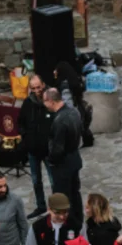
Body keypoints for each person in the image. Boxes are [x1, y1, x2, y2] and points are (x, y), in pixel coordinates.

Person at [45, 87, 85, 232]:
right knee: (75, 194)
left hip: (63, 165)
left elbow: (58, 149)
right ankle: (78, 221)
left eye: (45, 101)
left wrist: (51, 160)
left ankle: (67, 227)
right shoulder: (74, 111)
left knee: (63, 198)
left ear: (50, 101)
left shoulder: (60, 120)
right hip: (74, 160)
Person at [19, 73, 55, 218]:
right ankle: (41, 206)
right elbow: (21, 122)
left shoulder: (50, 100)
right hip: (33, 150)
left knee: (54, 181)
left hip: (48, 150)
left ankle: (55, 207)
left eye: (38, 87)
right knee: (36, 180)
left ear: (43, 85)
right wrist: (26, 137)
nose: (36, 91)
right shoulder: (28, 103)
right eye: (33, 88)